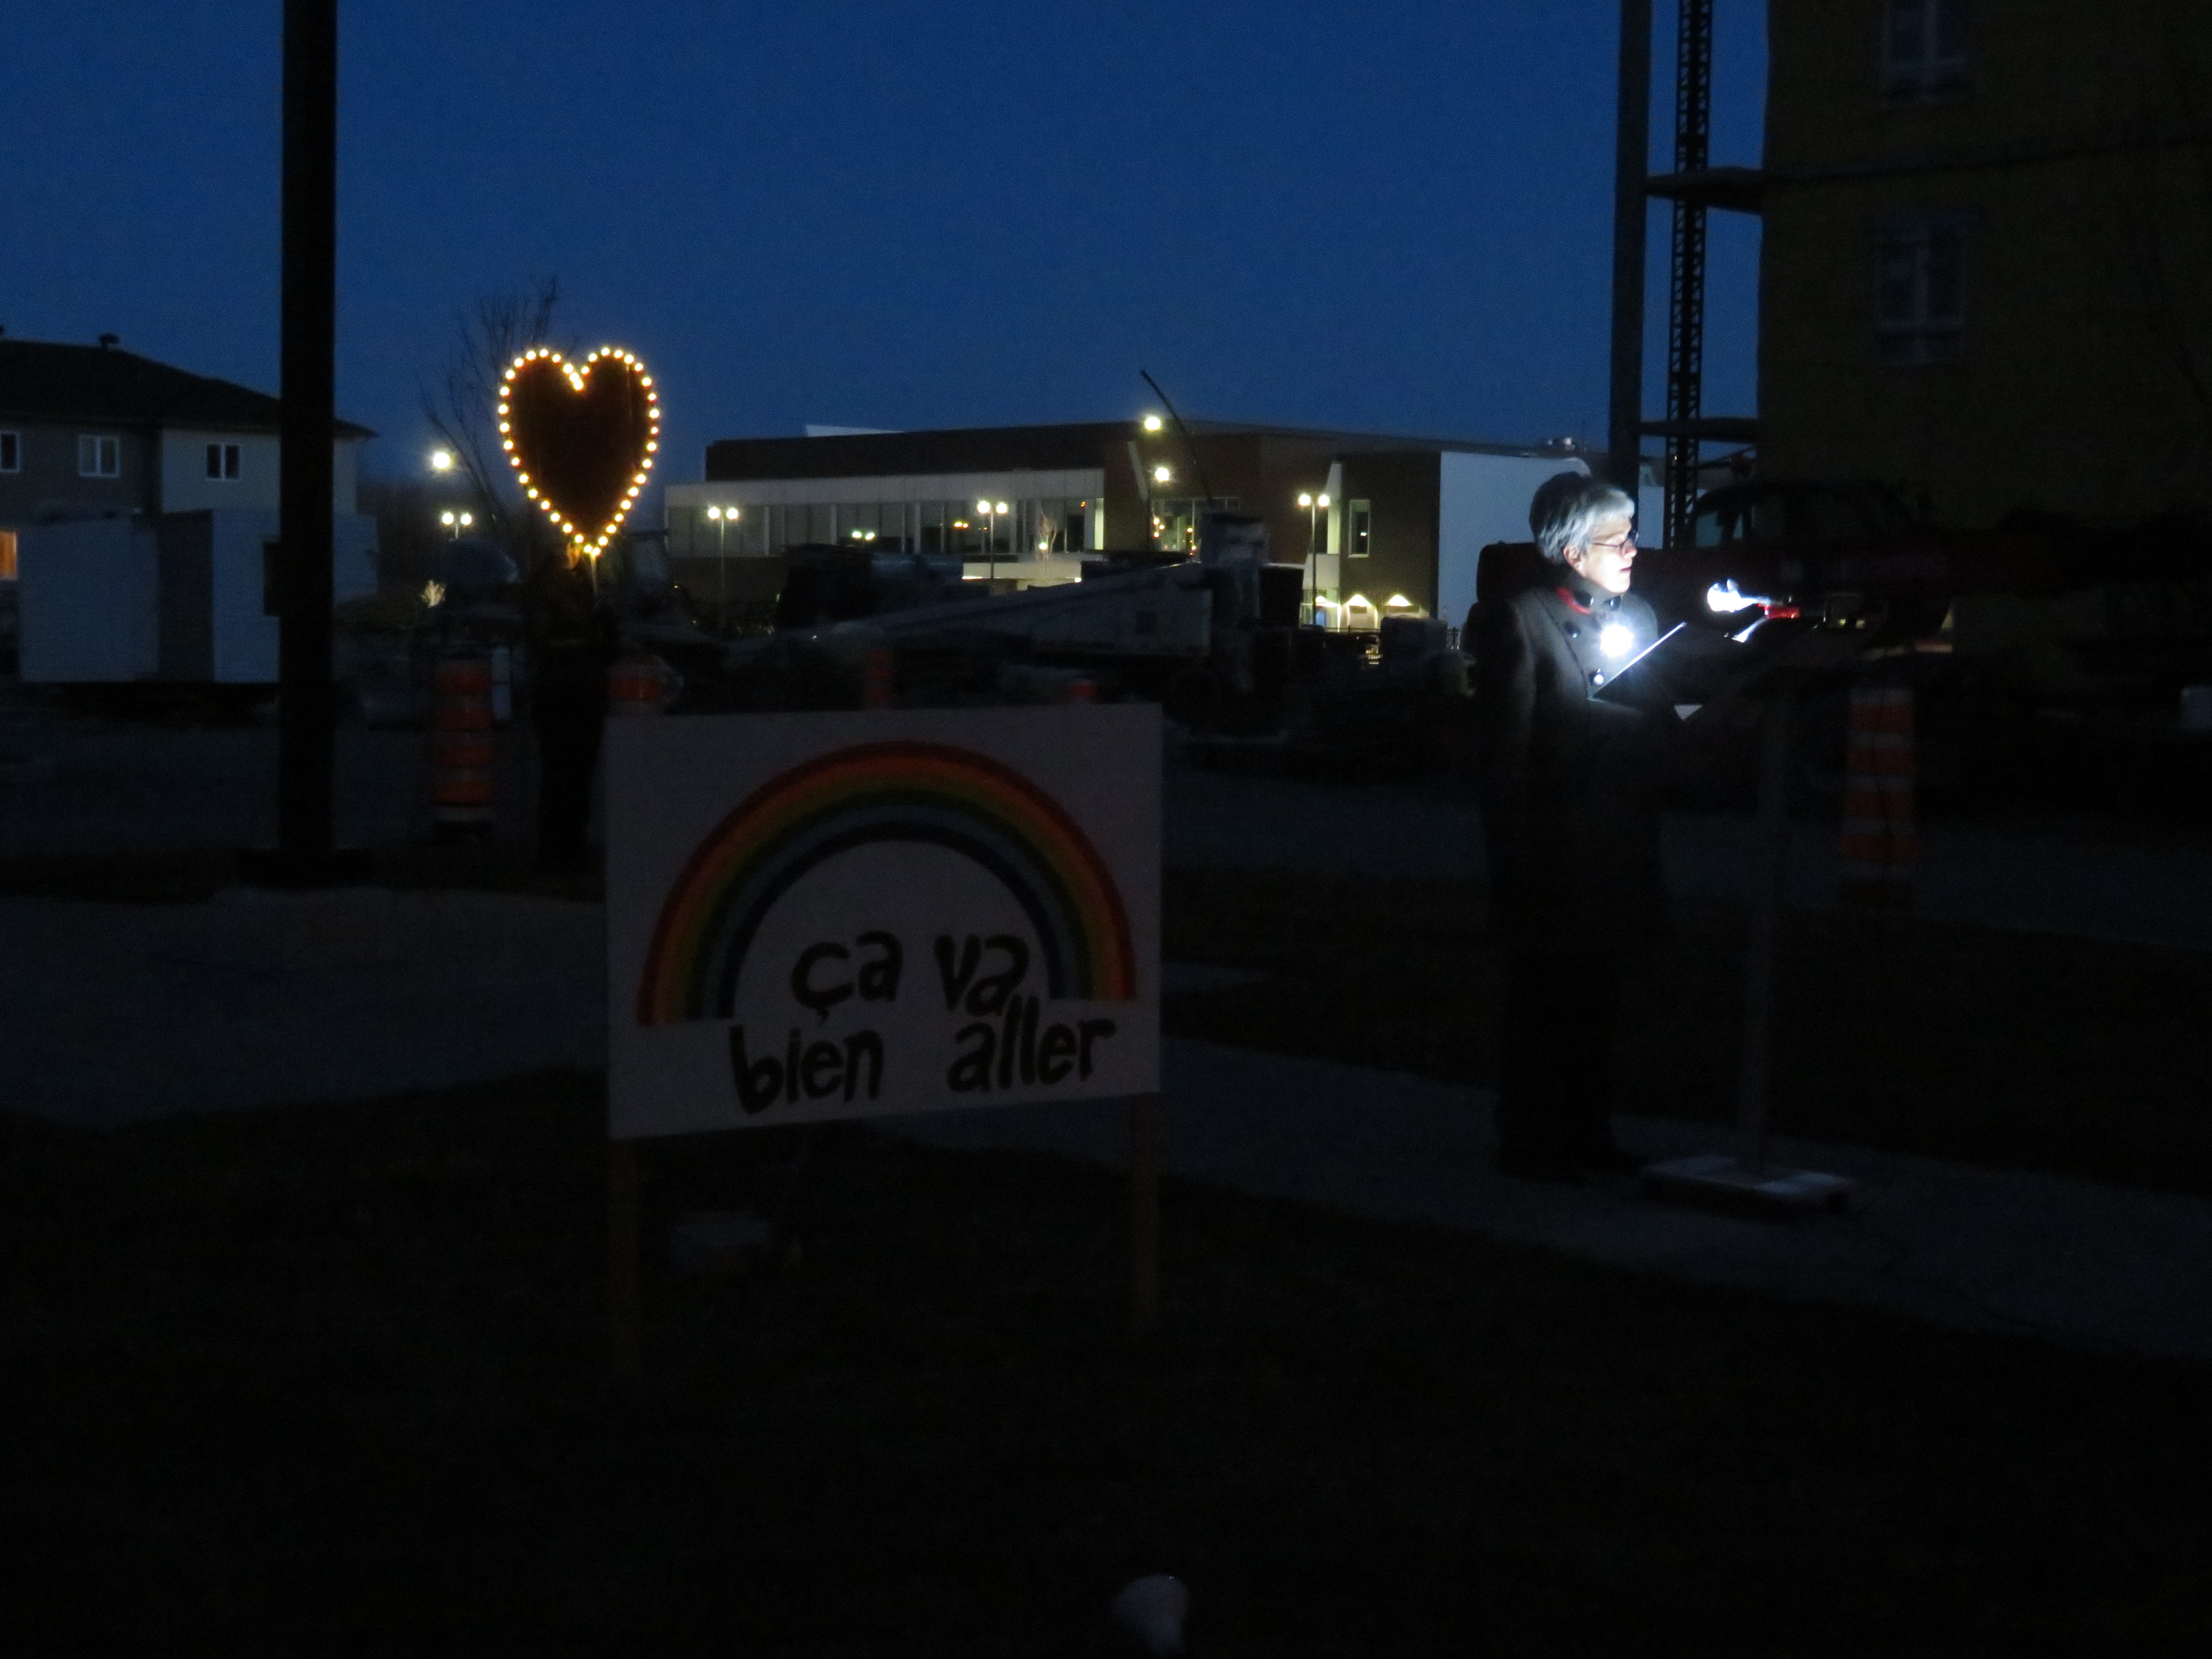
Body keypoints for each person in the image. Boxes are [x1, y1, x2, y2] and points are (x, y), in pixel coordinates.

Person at [1472, 471, 1666, 1180]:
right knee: (1542, 1002)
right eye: (1617, 540)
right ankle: (1529, 1138)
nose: (1632, 551)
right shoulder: (1520, 619)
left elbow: (1656, 717)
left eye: (1632, 536)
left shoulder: (1638, 617)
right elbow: (1505, 754)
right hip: (1552, 855)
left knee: (1599, 1003)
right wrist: (1513, 858)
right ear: (1570, 550)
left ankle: (1589, 1133)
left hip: (1616, 847)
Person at [523, 543, 618, 873]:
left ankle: (567, 848)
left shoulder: (580, 592)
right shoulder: (551, 594)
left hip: (574, 692)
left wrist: (605, 630)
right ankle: (560, 850)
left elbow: (606, 648)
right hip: (566, 692)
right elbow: (545, 642)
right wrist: (593, 637)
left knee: (572, 776)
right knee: (565, 775)